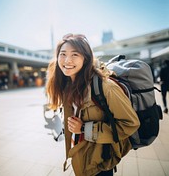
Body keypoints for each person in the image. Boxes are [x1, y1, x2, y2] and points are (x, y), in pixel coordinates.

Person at [46, 33, 140, 176]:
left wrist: (84, 128)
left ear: (86, 58)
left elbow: (130, 123)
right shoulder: (68, 85)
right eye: (63, 54)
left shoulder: (105, 87)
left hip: (99, 163)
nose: (67, 60)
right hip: (81, 157)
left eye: (75, 54)